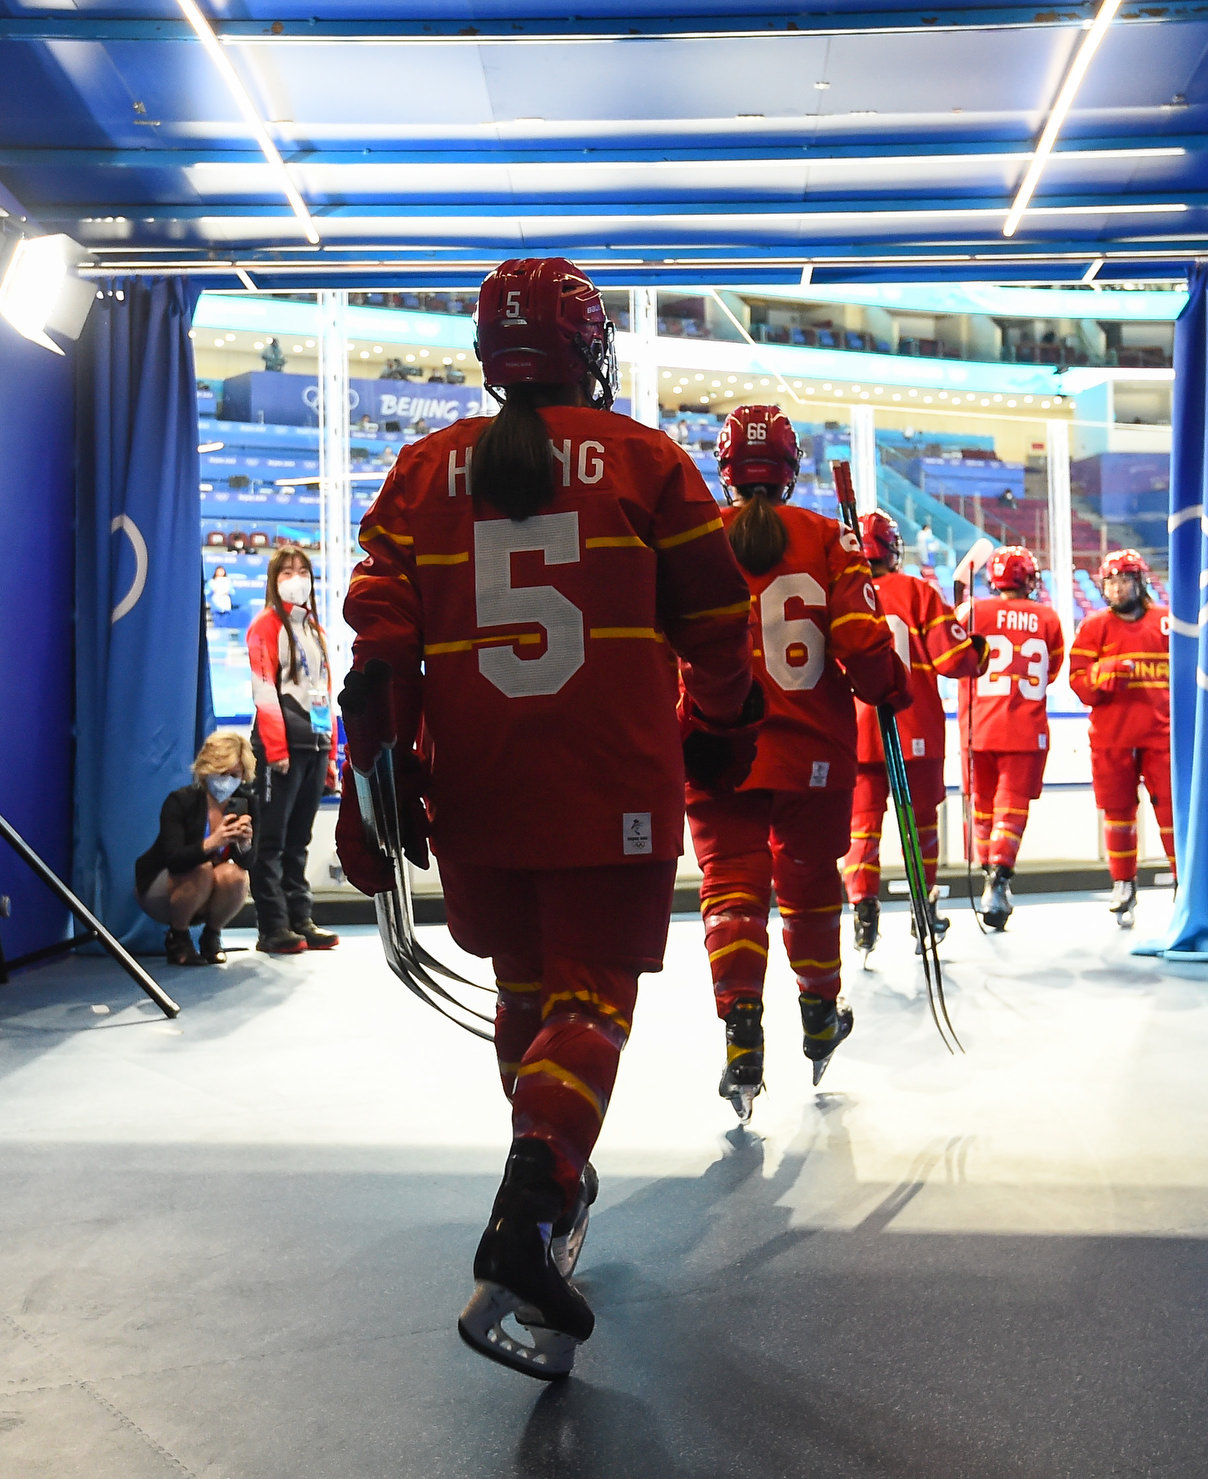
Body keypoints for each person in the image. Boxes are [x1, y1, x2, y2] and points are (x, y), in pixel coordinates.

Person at [337, 257, 759, 1380]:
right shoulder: (647, 460)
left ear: (492, 355)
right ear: (587, 348)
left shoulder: (421, 471)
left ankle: (547, 1167)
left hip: (476, 793)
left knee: (525, 997)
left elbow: (376, 655)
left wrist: (368, 787)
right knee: (589, 1004)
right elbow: (719, 631)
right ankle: (527, 1217)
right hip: (608, 785)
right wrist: (723, 725)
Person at [687, 405, 909, 1122]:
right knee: (810, 883)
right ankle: (819, 1011)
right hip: (813, 748)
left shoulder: (697, 536)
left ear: (725, 468)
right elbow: (862, 643)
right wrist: (891, 687)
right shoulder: (826, 536)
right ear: (790, 469)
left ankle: (741, 1030)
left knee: (732, 888)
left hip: (716, 744)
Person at [841, 512, 989, 955]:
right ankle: (923, 910)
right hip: (914, 729)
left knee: (861, 828)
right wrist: (976, 647)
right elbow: (954, 660)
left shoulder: (837, 591)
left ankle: (863, 909)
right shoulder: (917, 591)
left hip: (855, 730)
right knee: (919, 824)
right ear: (892, 549)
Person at [959, 545, 1065, 930]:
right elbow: (1051, 670)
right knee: (1011, 807)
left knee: (983, 806)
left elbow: (952, 659)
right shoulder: (1047, 617)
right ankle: (999, 879)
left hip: (979, 725)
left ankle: (988, 876)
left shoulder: (972, 611)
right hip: (1025, 727)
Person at [1069, 549, 1174, 927]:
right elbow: (1079, 682)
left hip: (1162, 736)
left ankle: (1185, 882)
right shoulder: (1093, 626)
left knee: (1173, 812)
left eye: (1125, 580)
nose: (1117, 588)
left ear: (1140, 582)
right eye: (1111, 581)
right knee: (1117, 814)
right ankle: (1123, 883)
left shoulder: (1166, 623)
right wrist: (1107, 671)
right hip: (1111, 739)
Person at [246, 547, 340, 954]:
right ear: (274, 579)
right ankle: (273, 927)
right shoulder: (265, 626)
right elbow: (264, 689)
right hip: (279, 748)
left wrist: (330, 754)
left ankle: (301, 919)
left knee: (299, 838)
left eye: (303, 570)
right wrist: (276, 748)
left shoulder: (315, 631)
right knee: (271, 840)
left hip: (314, 745)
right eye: (287, 571)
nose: (296, 577)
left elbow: (325, 695)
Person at [133, 732, 256, 966]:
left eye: (234, 775)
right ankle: (178, 938)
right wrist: (213, 842)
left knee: (236, 875)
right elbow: (173, 859)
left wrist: (245, 845)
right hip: (161, 884)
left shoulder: (246, 804)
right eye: (222, 773)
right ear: (207, 769)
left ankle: (212, 937)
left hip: (207, 888)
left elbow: (249, 863)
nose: (227, 781)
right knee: (202, 869)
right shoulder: (181, 801)